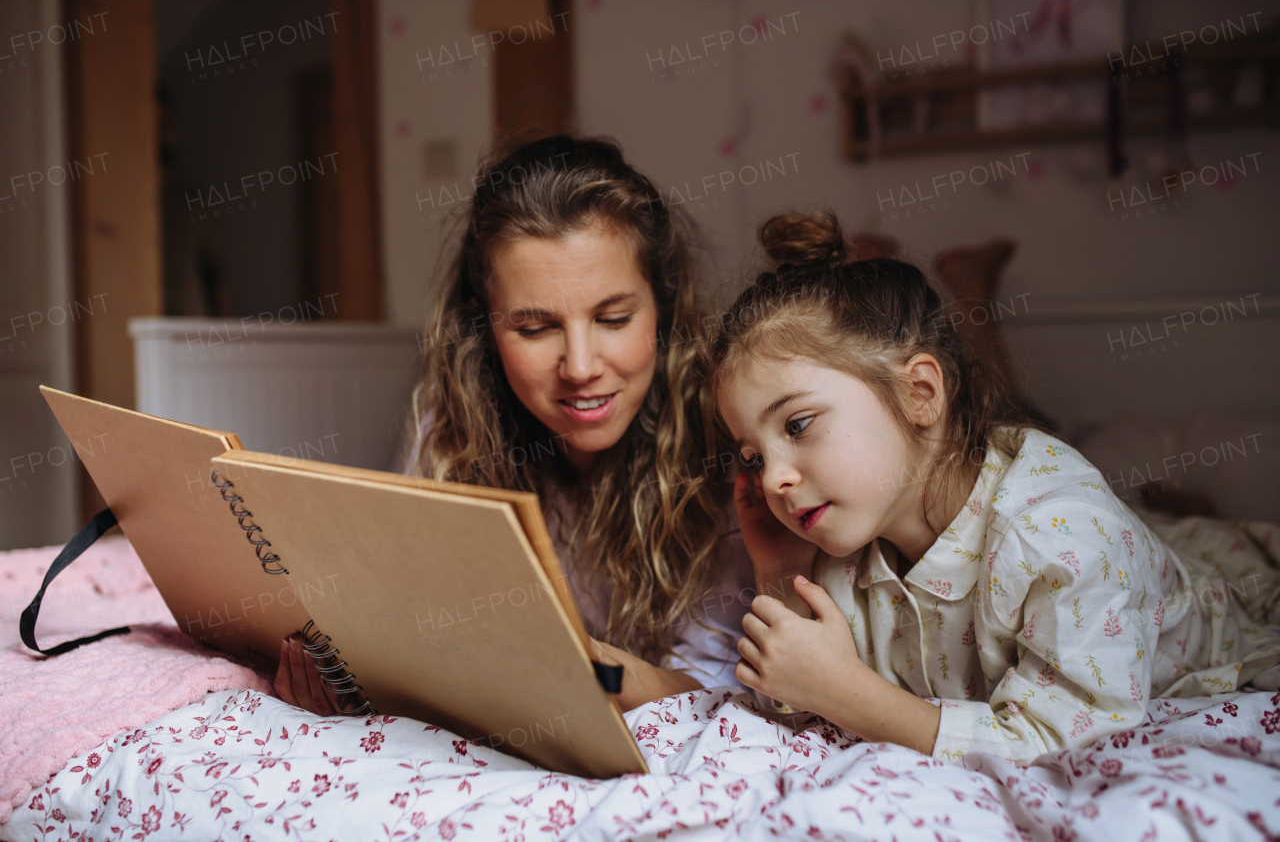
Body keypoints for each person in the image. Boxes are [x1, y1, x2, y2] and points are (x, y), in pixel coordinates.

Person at [706, 210, 1280, 763]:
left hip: (1214, 603)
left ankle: (1182, 515)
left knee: (1213, 555)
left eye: (799, 425)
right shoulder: (846, 550)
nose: (773, 479)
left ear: (921, 393)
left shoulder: (1061, 538)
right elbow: (791, 692)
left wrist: (852, 696)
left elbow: (1067, 744)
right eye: (753, 457)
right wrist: (780, 573)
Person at [274, 135, 754, 715]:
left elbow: (725, 690)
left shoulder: (726, 438)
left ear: (664, 304)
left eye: (613, 318)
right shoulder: (450, 428)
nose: (580, 367)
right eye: (534, 329)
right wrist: (353, 669)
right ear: (485, 326)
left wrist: (612, 681)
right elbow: (418, 626)